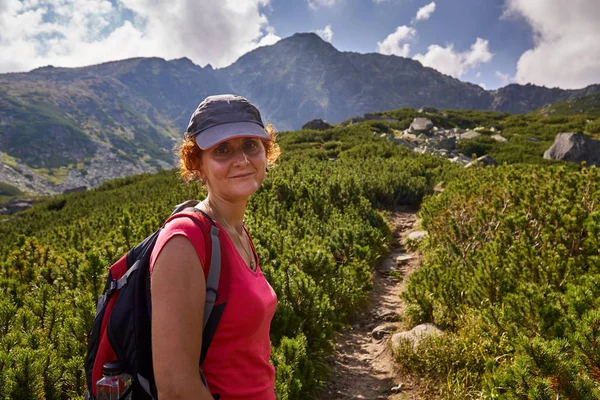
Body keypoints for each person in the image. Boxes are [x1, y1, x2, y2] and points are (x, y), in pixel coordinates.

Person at [149, 94, 280, 399]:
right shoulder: (184, 241)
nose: (242, 160)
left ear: (266, 152)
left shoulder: (234, 230)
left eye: (250, 145)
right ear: (198, 164)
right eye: (222, 150)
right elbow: (176, 389)